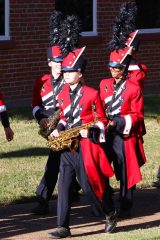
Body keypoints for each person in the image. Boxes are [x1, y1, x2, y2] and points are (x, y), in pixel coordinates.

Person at [48, 47, 118, 239]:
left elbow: (102, 120)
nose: (66, 75)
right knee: (63, 186)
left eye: (70, 72)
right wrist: (58, 129)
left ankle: (110, 212)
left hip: (85, 147)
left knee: (89, 186)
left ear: (80, 73)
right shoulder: (62, 93)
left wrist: (92, 131)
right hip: (67, 147)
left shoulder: (91, 94)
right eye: (65, 71)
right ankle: (63, 226)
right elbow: (64, 117)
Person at [31, 45, 81, 214]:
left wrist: (62, 125)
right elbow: (35, 104)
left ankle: (48, 196)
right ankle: (49, 197)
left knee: (73, 161)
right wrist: (41, 118)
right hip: (50, 127)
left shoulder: (70, 79)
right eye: (57, 62)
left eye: (62, 62)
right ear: (49, 62)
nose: (60, 65)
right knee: (58, 161)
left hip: (68, 126)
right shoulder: (41, 81)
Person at [99, 46, 147, 218]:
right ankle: (104, 201)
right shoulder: (104, 84)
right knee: (101, 164)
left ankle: (126, 204)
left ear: (124, 68)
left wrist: (117, 122)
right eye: (110, 67)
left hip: (123, 134)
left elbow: (137, 115)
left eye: (117, 68)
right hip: (106, 131)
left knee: (125, 167)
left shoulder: (133, 88)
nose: (113, 71)